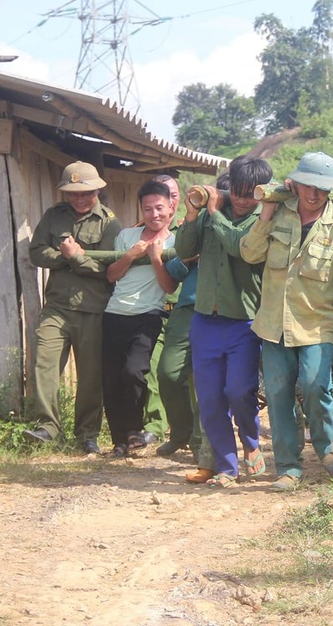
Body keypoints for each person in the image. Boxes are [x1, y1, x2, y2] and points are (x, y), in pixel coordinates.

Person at [239, 152, 333, 492]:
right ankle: (289, 466)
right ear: (297, 183)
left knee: (314, 385)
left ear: (330, 191)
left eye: (322, 188)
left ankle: (324, 445)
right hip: (274, 323)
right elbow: (249, 253)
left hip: (317, 324)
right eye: (308, 186)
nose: (314, 194)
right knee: (276, 392)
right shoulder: (279, 214)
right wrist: (267, 212)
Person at [175, 155, 273, 488]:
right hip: (205, 319)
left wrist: (214, 211)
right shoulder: (209, 214)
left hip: (243, 322)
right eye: (239, 192)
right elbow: (184, 250)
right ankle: (227, 468)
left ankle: (251, 441)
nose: (243, 201)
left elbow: (239, 248)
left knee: (239, 390)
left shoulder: (263, 218)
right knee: (211, 398)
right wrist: (191, 213)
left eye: (250, 194)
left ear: (260, 192)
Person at [25, 161, 122, 455]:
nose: (79, 199)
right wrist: (68, 256)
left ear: (97, 192)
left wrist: (76, 259)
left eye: (86, 194)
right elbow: (36, 252)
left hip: (92, 309)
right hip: (56, 306)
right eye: (73, 194)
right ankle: (48, 427)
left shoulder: (109, 223)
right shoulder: (53, 217)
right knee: (44, 363)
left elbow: (109, 268)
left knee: (91, 374)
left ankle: (87, 434)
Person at [101, 180, 177, 457]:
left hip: (149, 314)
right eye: (148, 209)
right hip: (114, 313)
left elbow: (169, 287)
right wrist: (131, 256)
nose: (154, 214)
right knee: (111, 379)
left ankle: (134, 428)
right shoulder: (125, 237)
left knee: (134, 371)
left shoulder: (176, 243)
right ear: (141, 210)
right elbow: (111, 275)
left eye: (159, 208)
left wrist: (156, 259)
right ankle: (120, 441)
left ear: (170, 207)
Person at [155, 174, 220, 460]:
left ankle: (198, 441)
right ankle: (180, 432)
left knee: (207, 379)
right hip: (187, 307)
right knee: (168, 373)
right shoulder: (193, 225)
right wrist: (187, 257)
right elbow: (174, 273)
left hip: (222, 311)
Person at [140, 173, 184, 445]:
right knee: (153, 369)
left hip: (183, 311)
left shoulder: (187, 233)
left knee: (182, 373)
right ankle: (155, 427)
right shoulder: (138, 233)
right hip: (154, 309)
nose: (157, 211)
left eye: (172, 195)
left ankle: (187, 429)